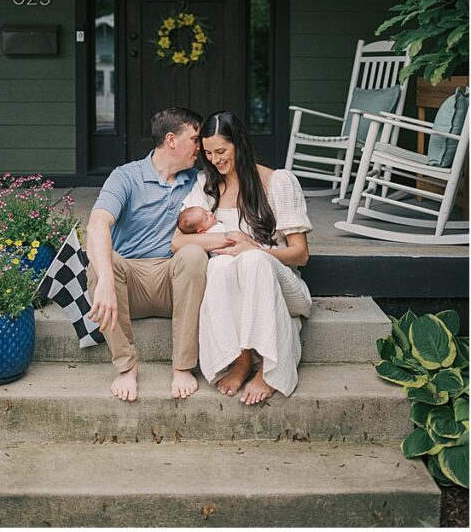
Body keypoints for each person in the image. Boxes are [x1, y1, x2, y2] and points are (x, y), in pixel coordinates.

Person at [173, 111, 314, 406]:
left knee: (253, 262)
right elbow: (179, 241)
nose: (215, 160)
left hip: (284, 285)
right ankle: (241, 360)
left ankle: (269, 368)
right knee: (222, 264)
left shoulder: (277, 182)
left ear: (239, 144)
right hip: (233, 283)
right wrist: (228, 242)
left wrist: (255, 249)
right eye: (208, 153)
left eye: (222, 151)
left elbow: (300, 255)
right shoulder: (206, 185)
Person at [85, 106, 208, 402]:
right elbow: (97, 224)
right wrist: (104, 281)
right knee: (101, 265)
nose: (200, 147)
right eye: (195, 139)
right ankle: (126, 367)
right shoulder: (126, 177)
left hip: (173, 281)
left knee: (193, 255)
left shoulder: (197, 180)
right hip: (129, 285)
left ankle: (182, 366)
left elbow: (240, 168)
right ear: (171, 140)